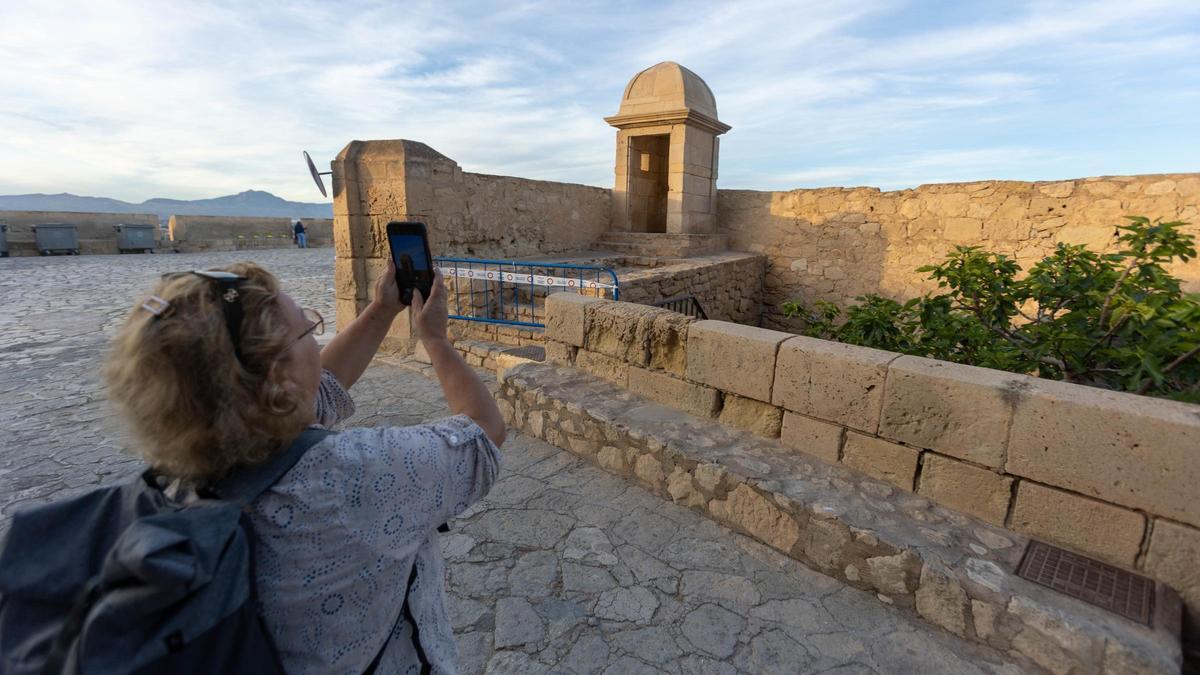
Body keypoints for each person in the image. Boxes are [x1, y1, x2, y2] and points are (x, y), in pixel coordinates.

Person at [104, 259, 504, 673]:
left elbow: (312, 389)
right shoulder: (357, 477)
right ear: (278, 375)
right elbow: (484, 429)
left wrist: (382, 309)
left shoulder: (185, 466)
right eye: (310, 330)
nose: (317, 341)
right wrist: (435, 339)